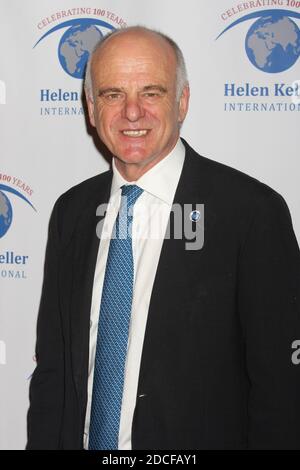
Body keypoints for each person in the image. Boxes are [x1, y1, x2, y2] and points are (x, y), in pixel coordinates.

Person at [26, 26, 300, 450]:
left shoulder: (250, 213)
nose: (132, 113)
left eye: (151, 92)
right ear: (91, 108)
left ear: (182, 101)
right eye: (113, 94)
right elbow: (54, 375)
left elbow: (281, 392)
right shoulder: (72, 213)